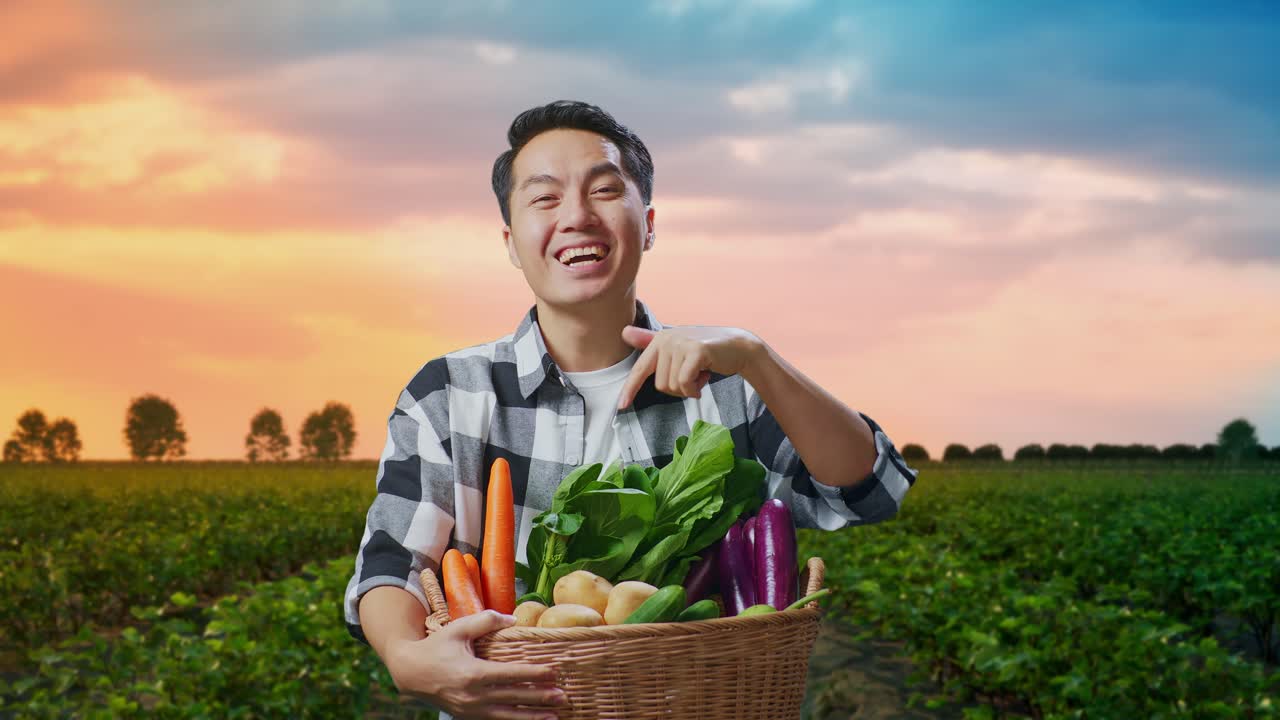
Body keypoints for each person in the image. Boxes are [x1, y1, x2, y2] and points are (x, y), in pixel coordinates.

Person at [344, 100, 919, 720]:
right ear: (511, 243)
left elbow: (871, 490)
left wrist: (757, 357)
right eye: (544, 198)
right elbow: (394, 560)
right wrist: (404, 655)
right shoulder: (450, 392)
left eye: (605, 190)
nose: (577, 217)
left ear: (647, 224)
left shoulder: (728, 387)